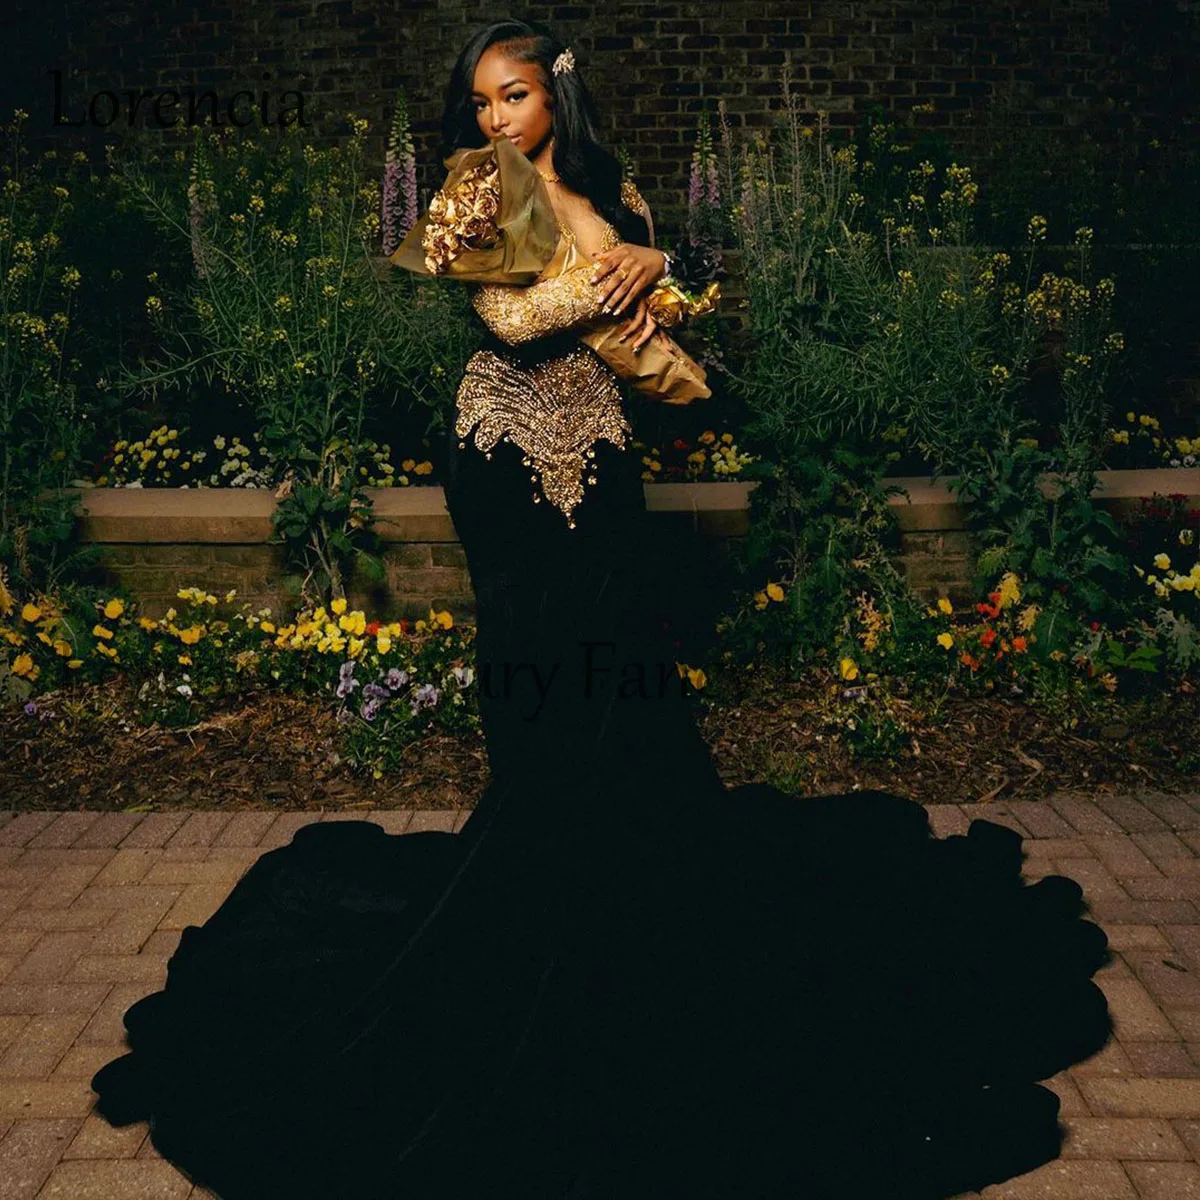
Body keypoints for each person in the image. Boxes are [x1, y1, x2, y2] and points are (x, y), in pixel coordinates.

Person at [90, 19, 1114, 1200]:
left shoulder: (608, 182)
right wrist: (616, 270)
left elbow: (670, 322)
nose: (494, 119)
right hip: (508, 454)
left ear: (554, 93)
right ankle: (535, 899)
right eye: (479, 102)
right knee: (540, 665)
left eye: (512, 96)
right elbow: (512, 322)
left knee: (623, 663)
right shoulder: (469, 195)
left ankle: (629, 896)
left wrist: (657, 272)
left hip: (605, 453)